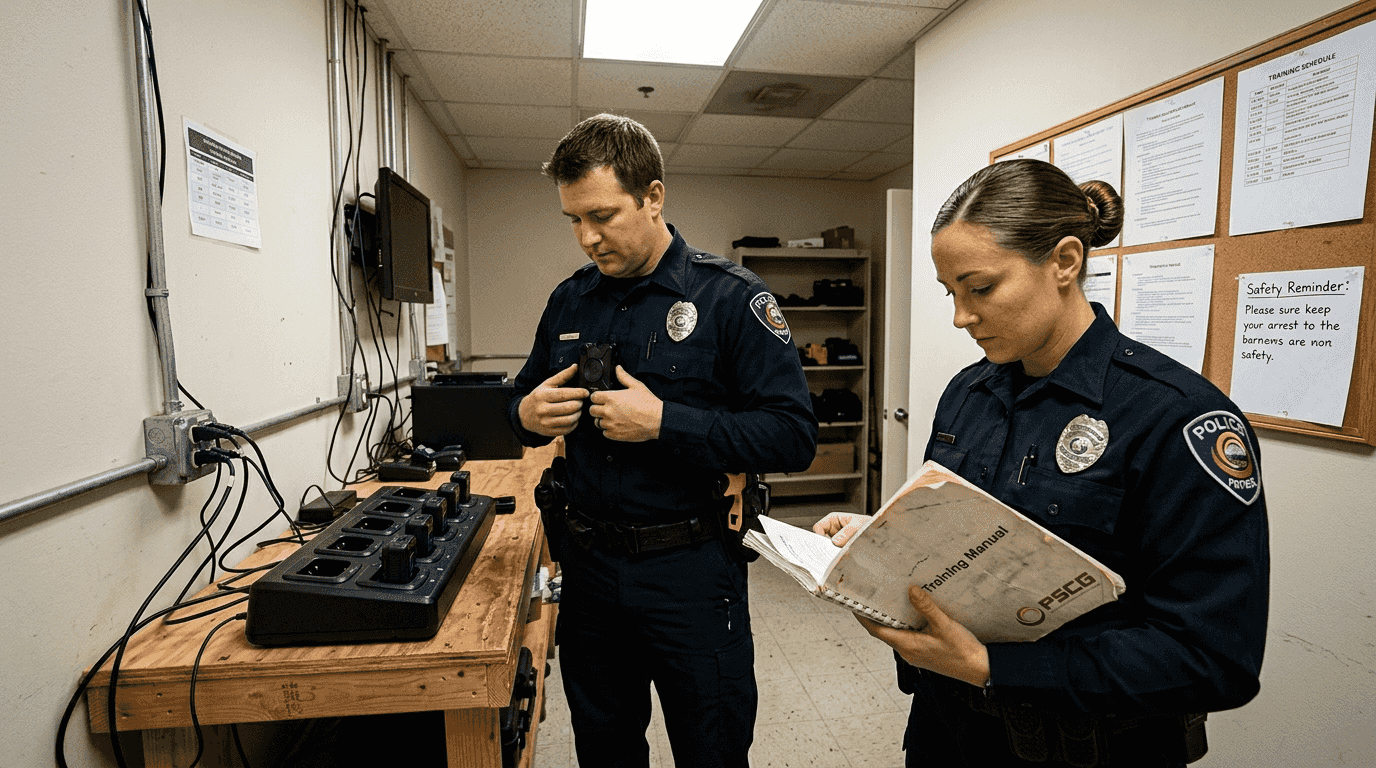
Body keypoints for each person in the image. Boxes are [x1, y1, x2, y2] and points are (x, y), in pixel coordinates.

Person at [815, 159, 1269, 767]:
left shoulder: (1174, 417)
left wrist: (994, 667)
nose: (961, 317)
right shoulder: (969, 393)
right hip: (946, 731)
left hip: (1087, 748)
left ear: (1065, 262)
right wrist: (882, 541)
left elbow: (1213, 659)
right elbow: (964, 544)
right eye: (951, 293)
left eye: (980, 289)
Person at [508, 113, 818, 768]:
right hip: (591, 572)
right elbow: (521, 401)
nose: (587, 237)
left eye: (602, 215)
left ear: (653, 197)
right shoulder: (570, 301)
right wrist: (526, 414)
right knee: (605, 749)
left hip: (692, 572)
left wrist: (665, 422)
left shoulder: (731, 299)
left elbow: (792, 437)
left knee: (712, 750)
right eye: (573, 220)